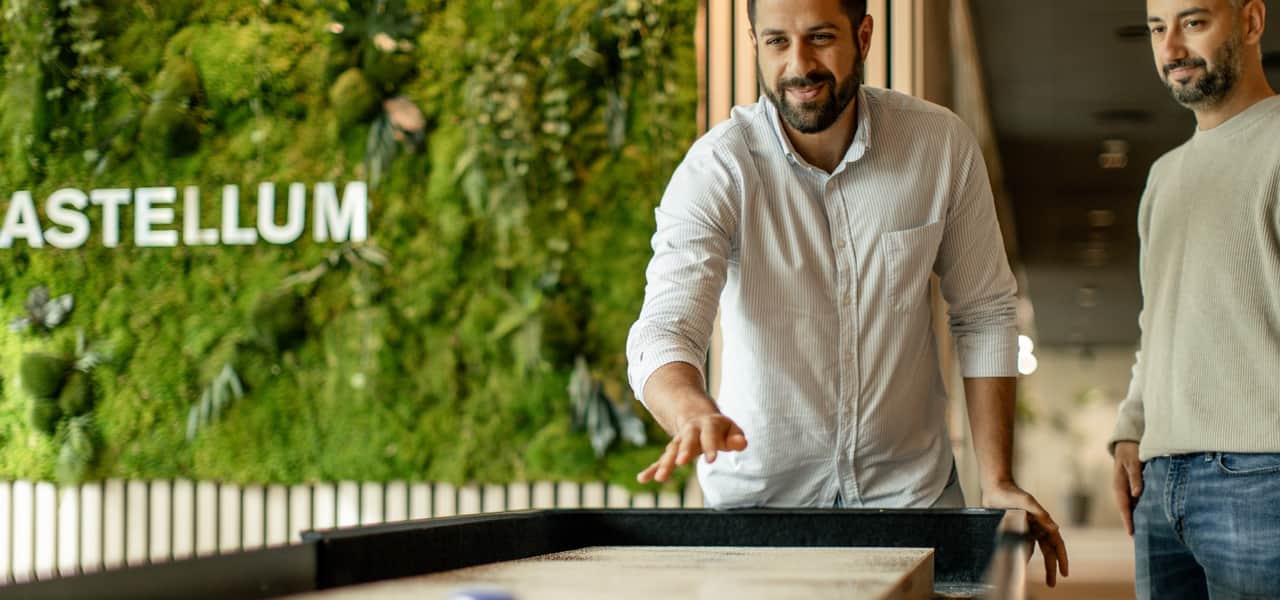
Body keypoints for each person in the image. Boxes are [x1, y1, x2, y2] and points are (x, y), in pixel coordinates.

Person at [625, 0, 1067, 585]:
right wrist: (690, 409)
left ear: (863, 35)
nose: (798, 64)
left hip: (912, 505)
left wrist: (998, 478)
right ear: (754, 41)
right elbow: (664, 328)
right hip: (762, 520)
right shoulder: (717, 169)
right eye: (776, 42)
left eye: (820, 38)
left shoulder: (938, 146)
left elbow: (985, 312)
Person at [1110, 0, 1280, 597]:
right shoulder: (1163, 175)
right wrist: (1132, 426)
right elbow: (1156, 318)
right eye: (1159, 28)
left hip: (1263, 476)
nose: (1171, 48)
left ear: (1252, 22)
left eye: (1194, 22)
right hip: (1162, 481)